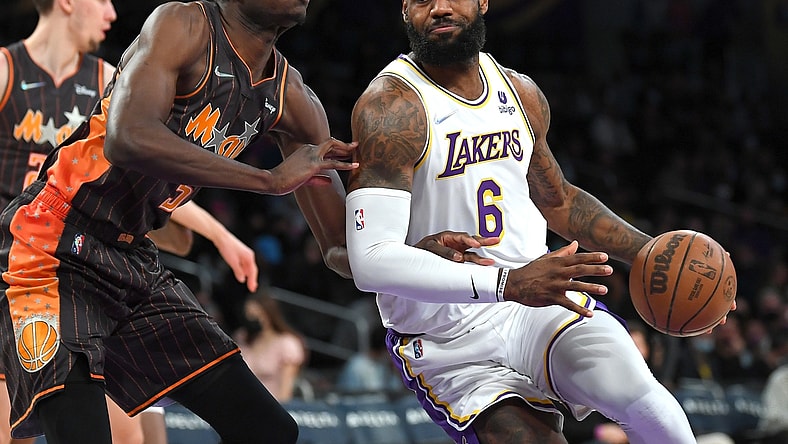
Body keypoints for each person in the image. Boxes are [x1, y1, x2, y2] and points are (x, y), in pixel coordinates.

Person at [0, 1, 485, 442]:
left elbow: (344, 249)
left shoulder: (292, 98)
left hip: (128, 260)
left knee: (269, 431)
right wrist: (269, 181)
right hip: (49, 242)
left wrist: (410, 251)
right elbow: (126, 137)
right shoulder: (184, 25)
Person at [344, 1, 735, 443]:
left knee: (645, 402)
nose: (439, 8)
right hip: (445, 336)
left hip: (536, 305)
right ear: (404, 10)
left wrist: (654, 255)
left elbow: (560, 201)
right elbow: (370, 261)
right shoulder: (390, 108)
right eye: (422, 0)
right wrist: (508, 283)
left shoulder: (519, 93)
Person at [235, 289, 307, 403]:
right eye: (247, 316)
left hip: (272, 405)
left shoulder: (287, 344)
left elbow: (285, 391)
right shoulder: (241, 338)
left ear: (268, 315)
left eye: (255, 316)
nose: (251, 321)